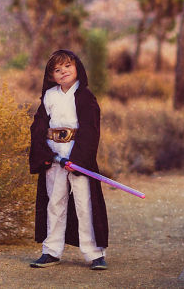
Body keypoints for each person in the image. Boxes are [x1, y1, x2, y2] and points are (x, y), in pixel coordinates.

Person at [28, 49, 109, 270]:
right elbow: (38, 126)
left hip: (78, 157)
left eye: (68, 66)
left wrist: (78, 160)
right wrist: (46, 154)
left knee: (84, 204)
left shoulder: (84, 97)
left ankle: (94, 253)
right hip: (54, 157)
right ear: (50, 76)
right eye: (57, 69)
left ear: (77, 68)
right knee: (54, 202)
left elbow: (91, 130)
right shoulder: (49, 96)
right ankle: (51, 251)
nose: (63, 71)